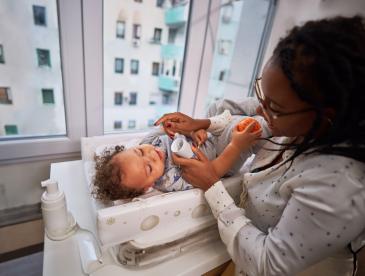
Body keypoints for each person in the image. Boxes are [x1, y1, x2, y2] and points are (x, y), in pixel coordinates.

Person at [155, 16, 365, 276]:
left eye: (274, 107)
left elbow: (268, 264)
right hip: (245, 246)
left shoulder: (338, 185)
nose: (261, 111)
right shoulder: (293, 122)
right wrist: (203, 122)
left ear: (324, 116)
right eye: (262, 95)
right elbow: (248, 113)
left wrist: (212, 184)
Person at [92, 113, 267, 201]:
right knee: (245, 127)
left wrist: (195, 130)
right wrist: (236, 146)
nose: (152, 155)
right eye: (149, 168)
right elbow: (212, 172)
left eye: (140, 152)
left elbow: (177, 130)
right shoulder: (171, 180)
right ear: (147, 187)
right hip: (221, 157)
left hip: (207, 140)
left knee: (217, 107)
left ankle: (253, 111)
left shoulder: (148, 141)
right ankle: (267, 125)